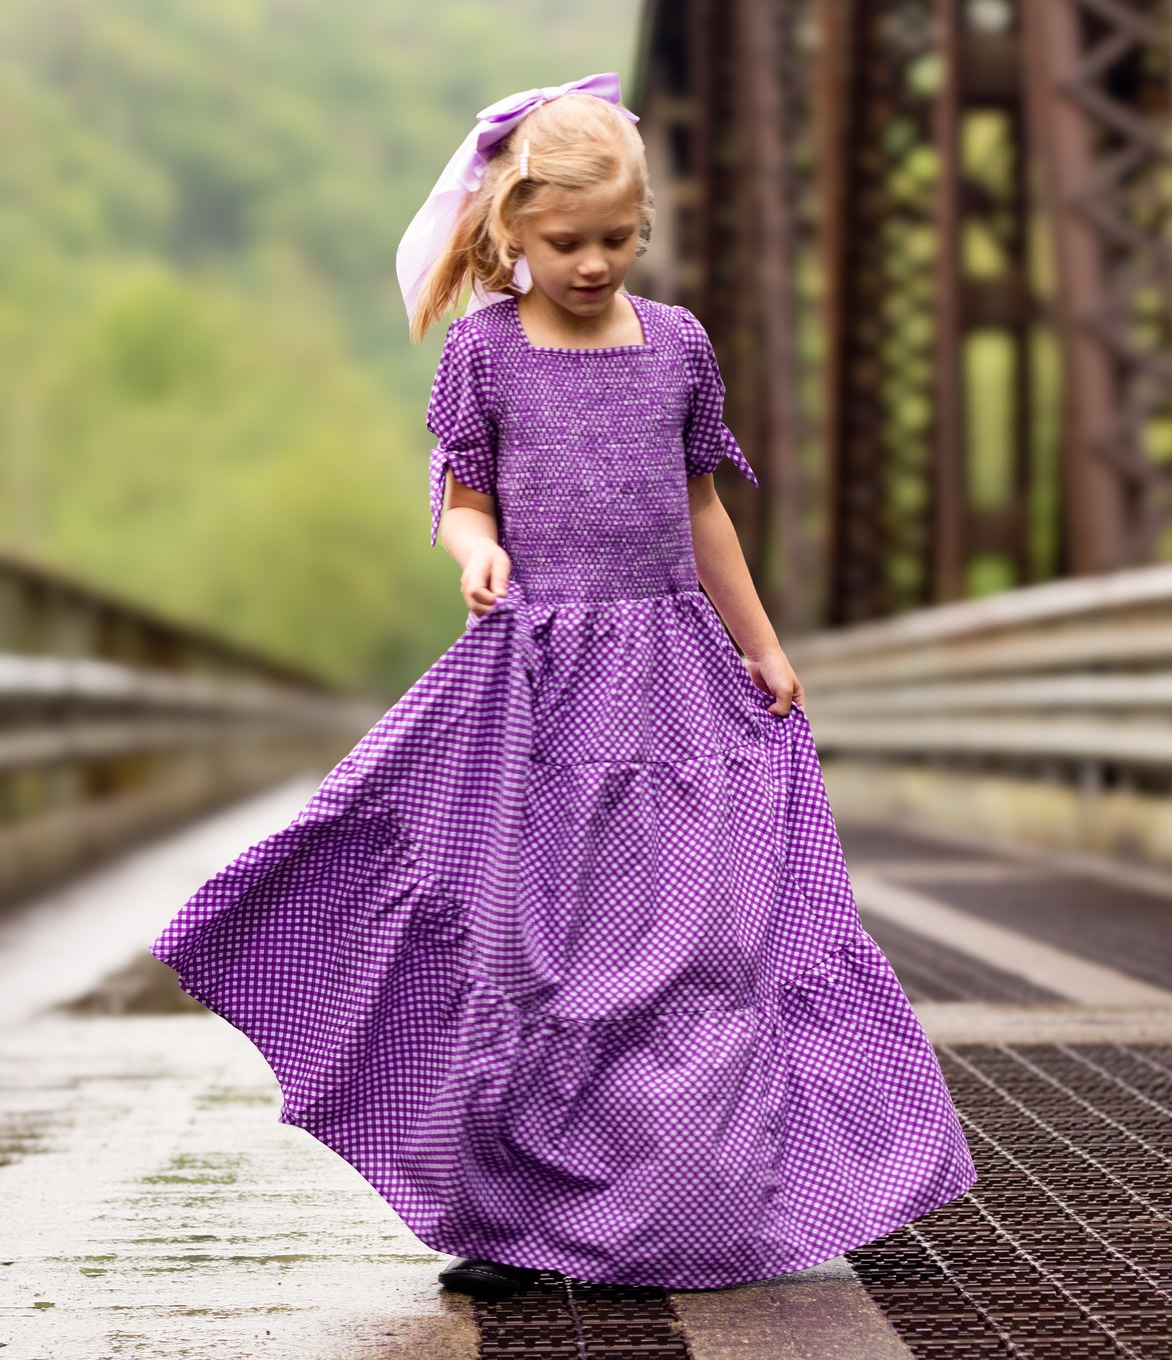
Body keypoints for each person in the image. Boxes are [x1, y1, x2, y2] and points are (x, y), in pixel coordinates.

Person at [152, 73, 975, 1296]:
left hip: (676, 680)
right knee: (537, 946)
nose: (592, 263)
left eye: (616, 238)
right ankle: (511, 1219)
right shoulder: (483, 354)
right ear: (510, 232)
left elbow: (701, 511)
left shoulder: (678, 344)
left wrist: (759, 642)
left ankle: (763, 1186)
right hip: (538, 689)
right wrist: (475, 551)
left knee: (705, 938)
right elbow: (461, 500)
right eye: (565, 242)